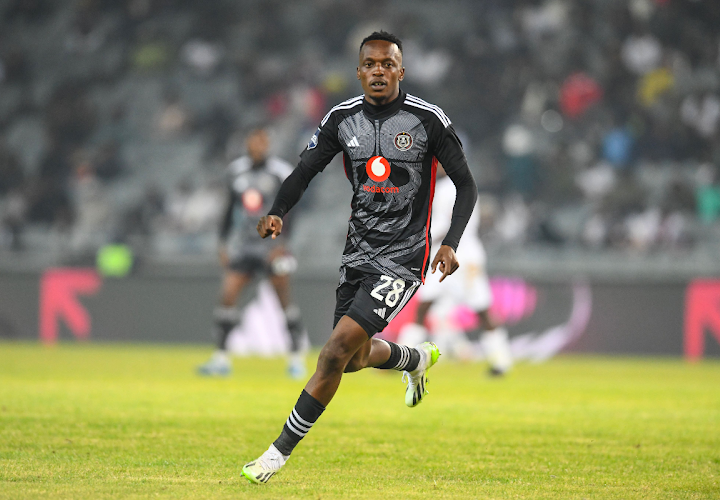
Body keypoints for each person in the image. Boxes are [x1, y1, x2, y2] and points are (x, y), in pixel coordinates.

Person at [241, 31, 477, 485]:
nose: (378, 71)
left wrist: (452, 241)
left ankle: (274, 456)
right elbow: (304, 171)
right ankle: (414, 360)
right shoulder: (340, 119)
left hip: (404, 257)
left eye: (388, 64)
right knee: (351, 360)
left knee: (331, 354)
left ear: (401, 71)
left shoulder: (427, 120)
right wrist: (277, 211)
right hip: (358, 253)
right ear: (359, 71)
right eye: (370, 64)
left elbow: (466, 184)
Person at [197, 128, 308, 379]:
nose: (258, 145)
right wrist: (223, 243)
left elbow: (293, 210)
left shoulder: (280, 171)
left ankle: (296, 359)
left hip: (272, 246)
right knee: (228, 295)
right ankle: (221, 359)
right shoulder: (236, 171)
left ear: (267, 143)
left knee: (283, 299)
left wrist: (283, 243)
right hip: (246, 245)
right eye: (253, 141)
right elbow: (228, 209)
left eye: (262, 141)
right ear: (247, 142)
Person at [397, 165, 513, 376]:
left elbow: (448, 226)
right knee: (424, 305)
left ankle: (501, 360)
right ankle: (402, 358)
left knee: (481, 308)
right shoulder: (460, 185)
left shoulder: (450, 189)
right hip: (449, 256)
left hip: (462, 256)